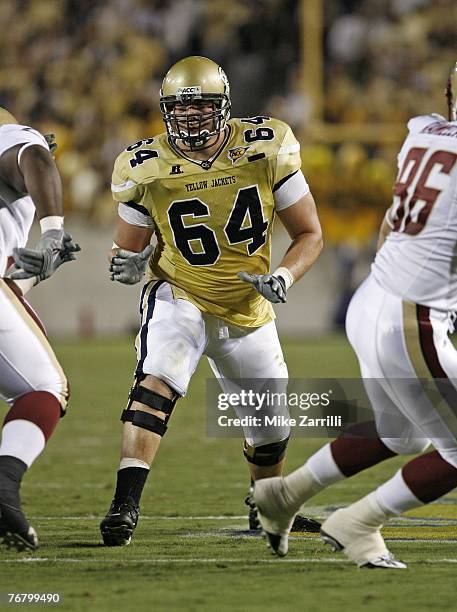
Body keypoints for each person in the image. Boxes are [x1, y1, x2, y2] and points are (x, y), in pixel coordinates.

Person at [100, 55, 323, 545]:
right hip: (181, 291)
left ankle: (266, 508)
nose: (189, 118)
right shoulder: (146, 165)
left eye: (200, 108)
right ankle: (124, 506)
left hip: (248, 303)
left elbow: (309, 233)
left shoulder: (266, 145)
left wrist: (284, 276)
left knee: (270, 427)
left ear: (224, 106)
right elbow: (126, 251)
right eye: (179, 110)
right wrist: (128, 264)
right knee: (160, 376)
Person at [251, 63, 457, 569]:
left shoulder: (423, 130)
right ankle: (359, 520)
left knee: (402, 432)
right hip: (413, 318)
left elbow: (392, 225)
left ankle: (283, 493)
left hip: (376, 299)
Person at [0, 108, 80, 551]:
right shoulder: (16, 140)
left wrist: (37, 269)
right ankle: (4, 487)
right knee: (44, 388)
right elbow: (35, 157)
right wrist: (53, 233)